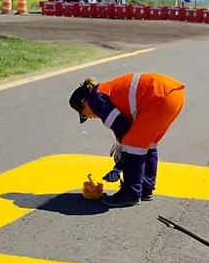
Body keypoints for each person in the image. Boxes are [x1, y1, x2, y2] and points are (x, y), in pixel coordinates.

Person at [69, 72, 186, 207]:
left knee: (133, 144)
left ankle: (130, 193)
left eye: (84, 114)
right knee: (147, 143)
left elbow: (123, 130)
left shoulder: (96, 100)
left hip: (158, 97)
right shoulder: (105, 91)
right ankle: (145, 188)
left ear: (84, 103)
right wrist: (121, 154)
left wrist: (119, 166)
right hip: (174, 95)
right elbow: (128, 131)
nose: (89, 118)